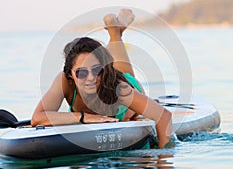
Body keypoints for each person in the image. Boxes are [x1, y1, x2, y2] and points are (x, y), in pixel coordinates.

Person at [31, 9, 172, 148]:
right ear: (70, 74)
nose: (91, 78)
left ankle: (115, 32)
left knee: (118, 58)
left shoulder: (120, 88)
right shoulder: (64, 81)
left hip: (125, 82)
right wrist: (83, 117)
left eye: (97, 70)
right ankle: (115, 30)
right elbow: (37, 118)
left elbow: (163, 116)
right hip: (109, 78)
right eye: (81, 73)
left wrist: (162, 158)